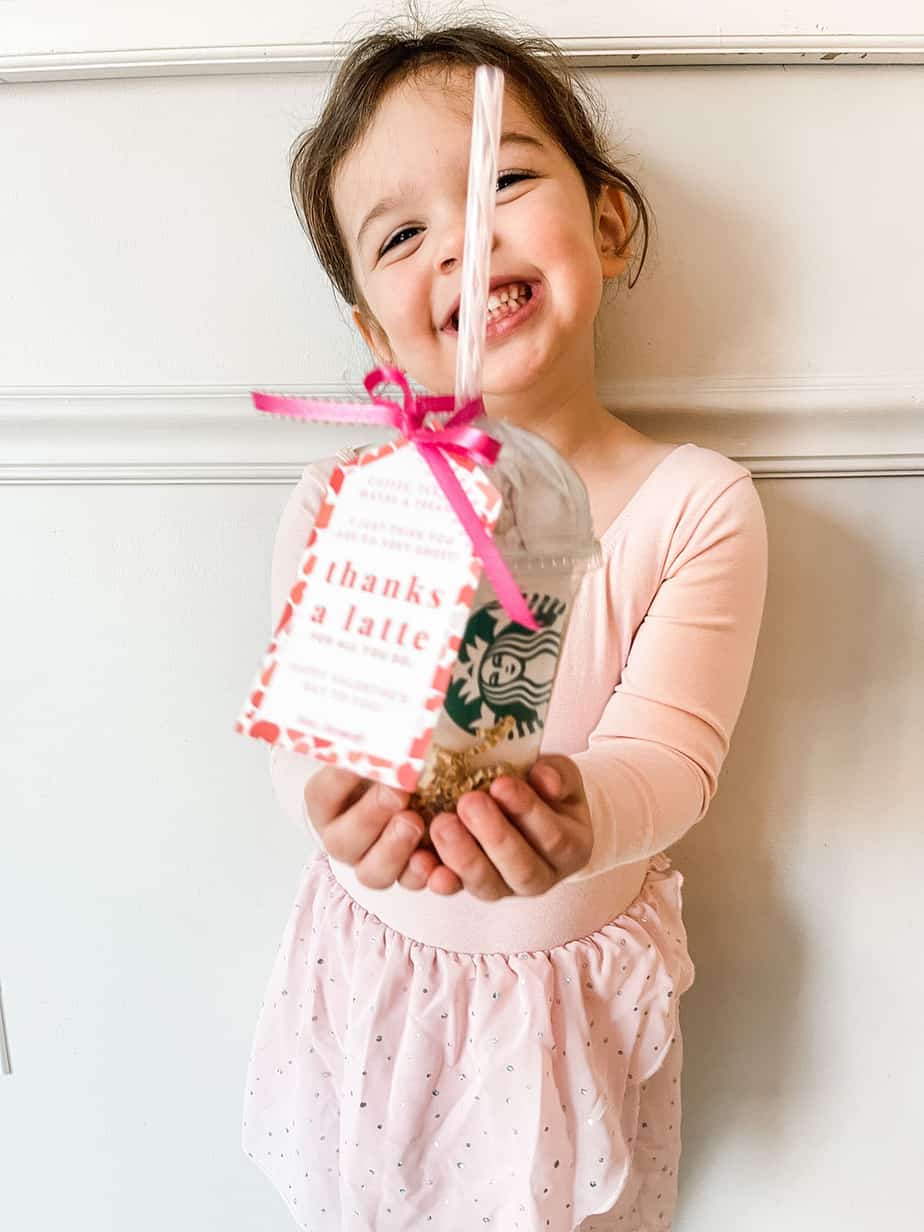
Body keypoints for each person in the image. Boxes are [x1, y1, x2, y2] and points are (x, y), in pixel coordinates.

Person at [241, 12, 768, 1232]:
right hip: (373, 989)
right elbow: (308, 741)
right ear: (376, 333)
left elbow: (672, 756)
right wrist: (341, 811)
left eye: (506, 180)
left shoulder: (692, 502)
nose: (463, 241)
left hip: (558, 1011)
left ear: (609, 224)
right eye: (404, 232)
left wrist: (586, 811)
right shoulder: (346, 501)